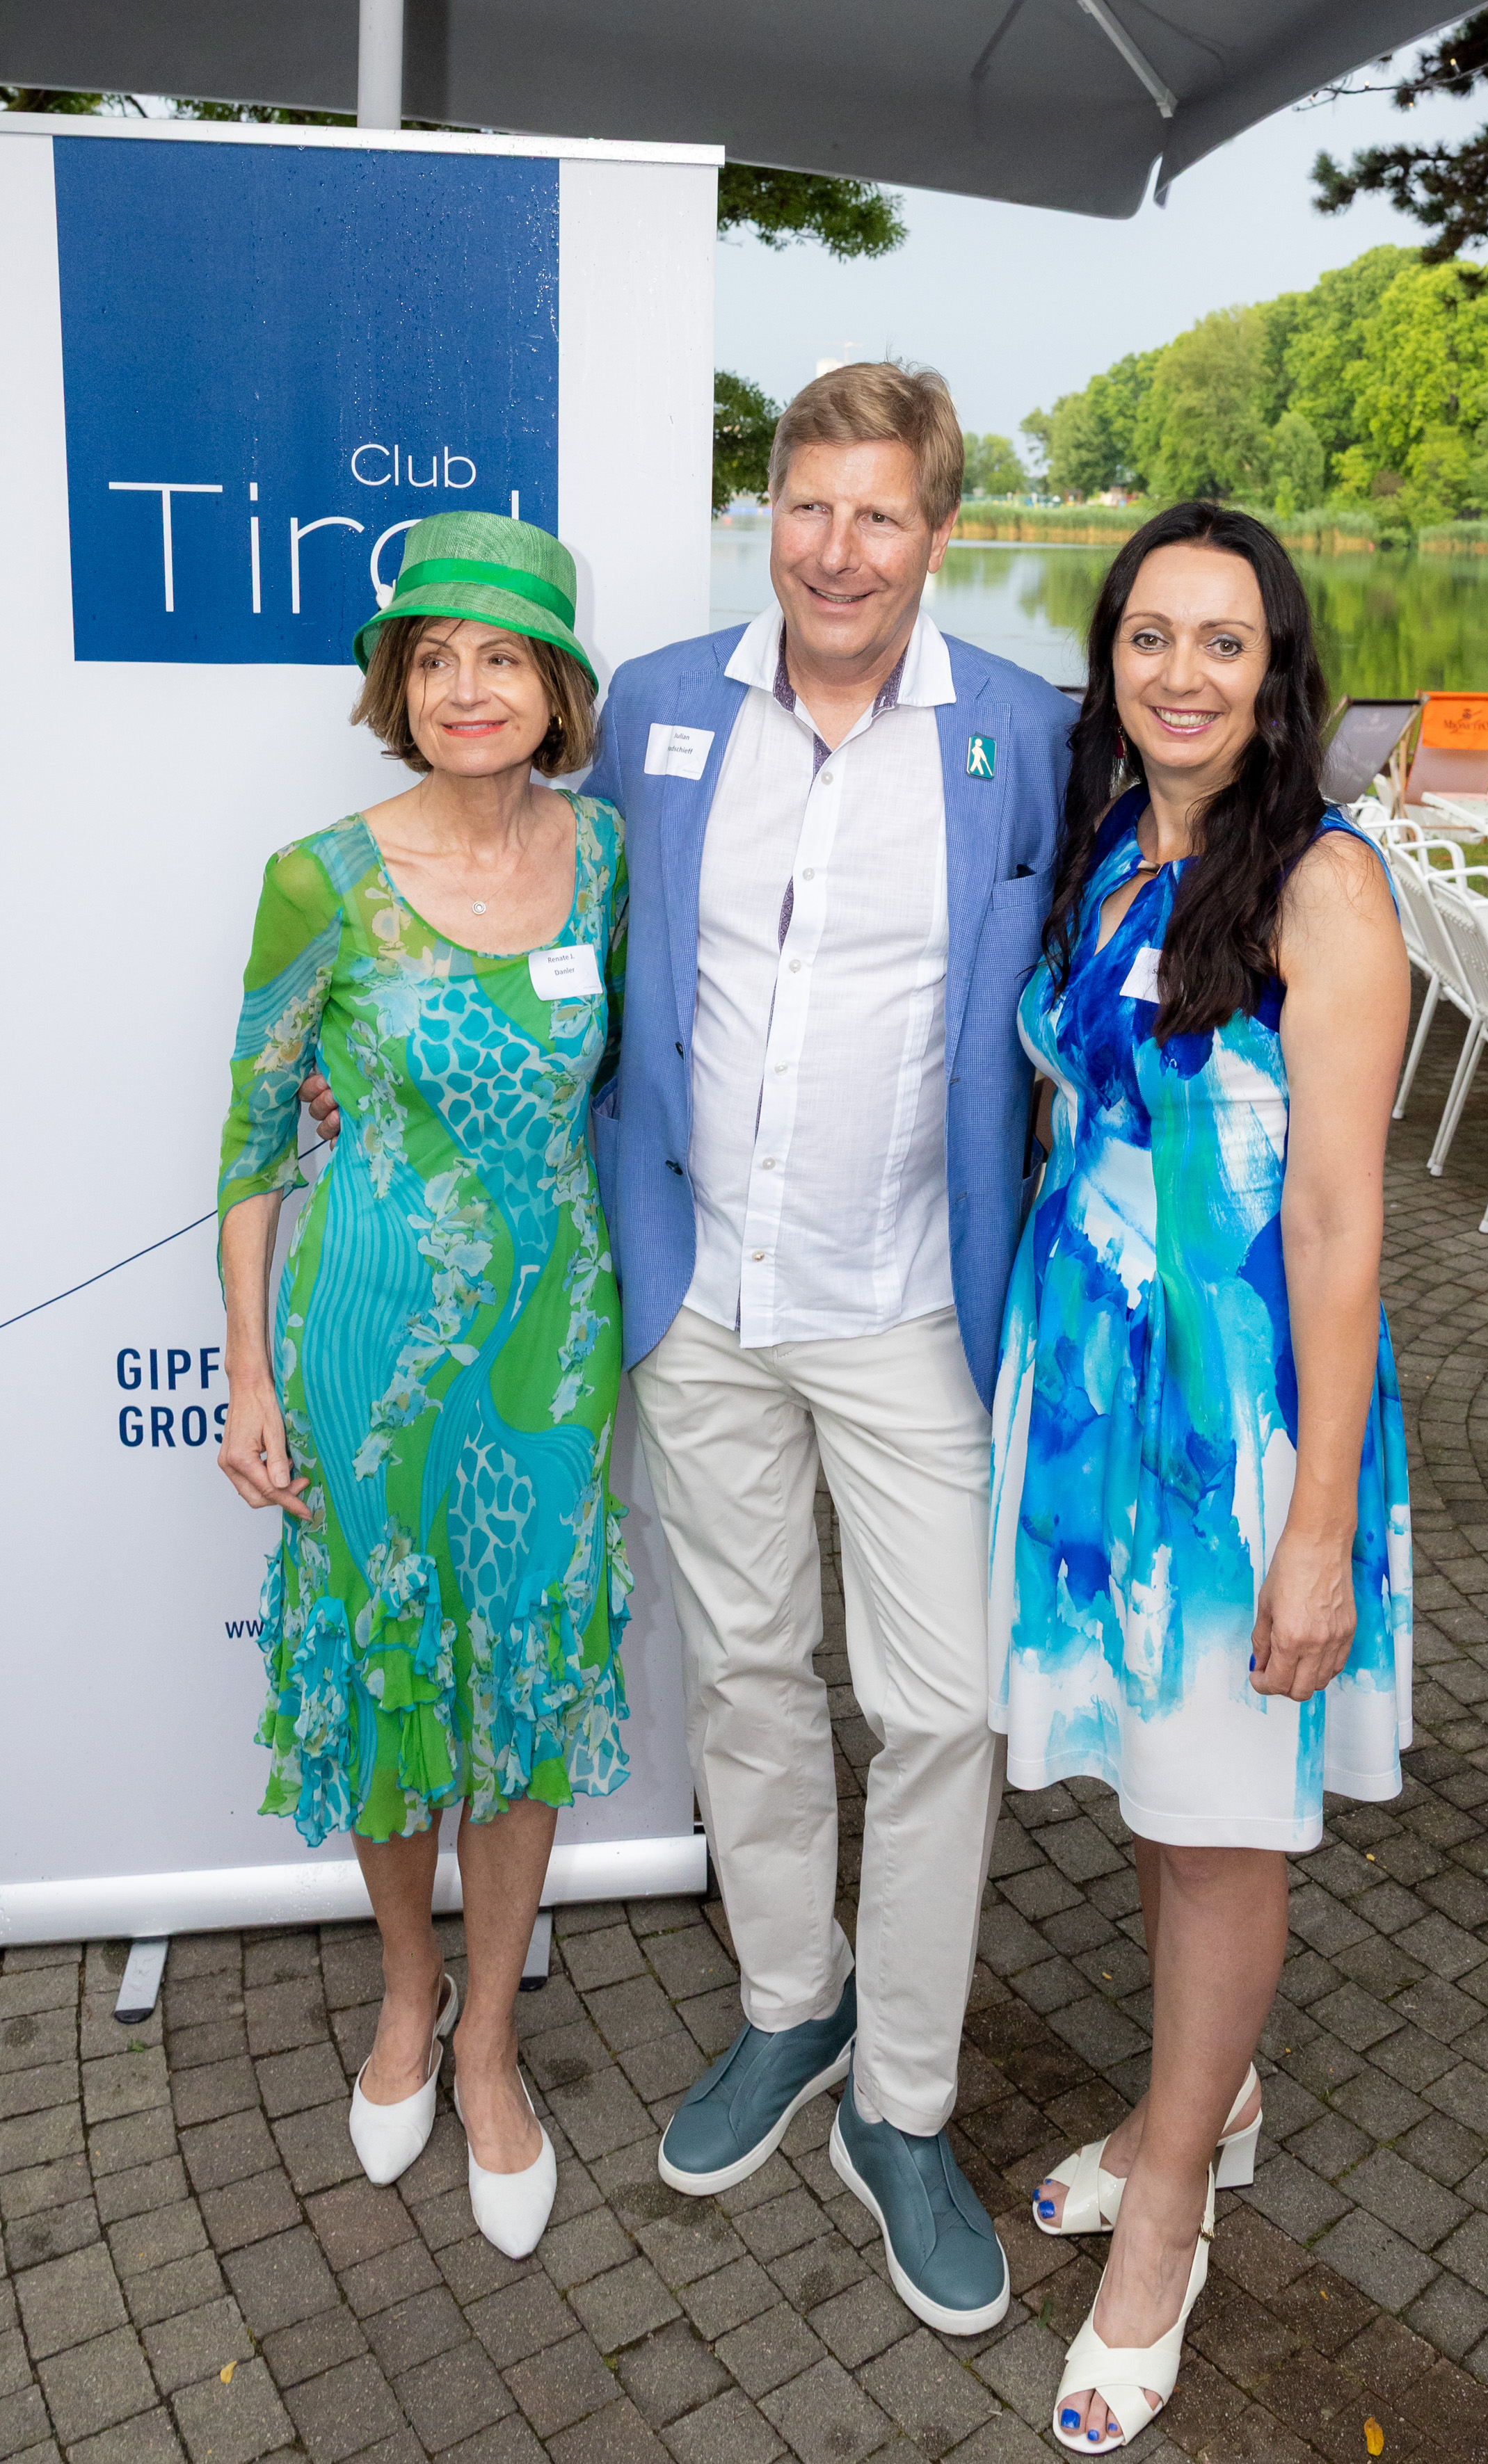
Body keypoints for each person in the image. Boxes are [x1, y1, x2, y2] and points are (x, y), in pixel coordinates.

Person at [305, 364, 1073, 2330]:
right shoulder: (653, 707)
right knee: (744, 1668)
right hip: (697, 1302)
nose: (838, 550)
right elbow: (514, 914)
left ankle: (902, 2105)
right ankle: (789, 2003)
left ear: (937, 531)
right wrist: (366, 1071)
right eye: (808, 506)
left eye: (879, 513)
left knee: (942, 1713)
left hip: (914, 1303)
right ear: (769, 515)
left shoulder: (1019, 733)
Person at [986, 502, 1412, 2451]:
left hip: (1239, 1423)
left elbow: (1332, 1221)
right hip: (1092, 1387)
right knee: (1163, 1799)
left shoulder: (1325, 886)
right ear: (1110, 658)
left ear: (1274, 670)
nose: (1180, 672)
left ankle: (1169, 2201)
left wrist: (1316, 1522)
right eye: (1148, 635)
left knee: (1226, 1816)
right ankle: (1205, 2092)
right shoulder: (1107, 849)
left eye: (1221, 642)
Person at [218, 510, 631, 2262]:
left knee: (523, 1683)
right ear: (399, 685)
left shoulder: (606, 859)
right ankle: (407, 1991)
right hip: (367, 1337)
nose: (468, 686)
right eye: (435, 656)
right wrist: (247, 1368)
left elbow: (631, 1076)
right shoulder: (318, 877)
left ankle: (487, 2043)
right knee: (389, 1677)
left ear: (556, 688)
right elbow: (253, 1137)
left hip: (553, 1333)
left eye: (503, 656)